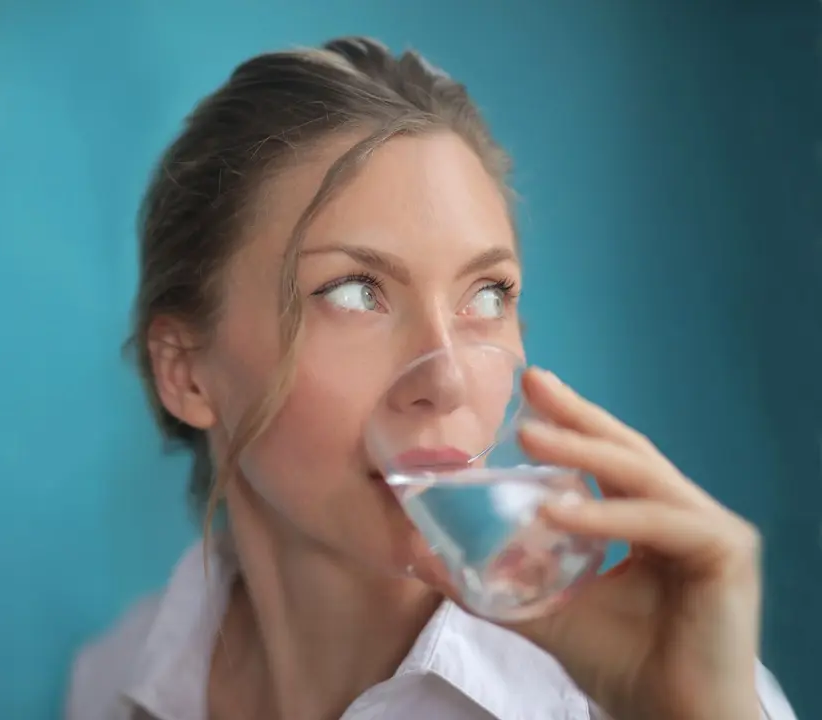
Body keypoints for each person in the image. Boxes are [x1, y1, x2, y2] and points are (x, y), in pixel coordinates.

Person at [66, 37, 798, 720]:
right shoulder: (117, 678)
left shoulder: (655, 699)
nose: (447, 379)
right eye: (356, 292)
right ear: (187, 372)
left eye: (487, 296)